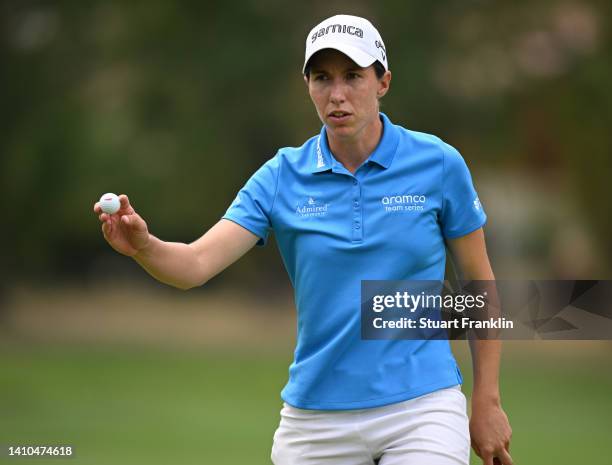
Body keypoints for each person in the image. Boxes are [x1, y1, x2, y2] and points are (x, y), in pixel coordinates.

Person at [94, 14, 512, 465]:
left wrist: (486, 399)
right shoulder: (281, 177)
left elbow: (477, 285)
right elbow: (195, 265)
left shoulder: (438, 163)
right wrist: (144, 246)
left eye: (353, 76)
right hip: (316, 418)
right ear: (308, 84)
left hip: (422, 408)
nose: (337, 94)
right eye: (322, 78)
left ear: (383, 82)